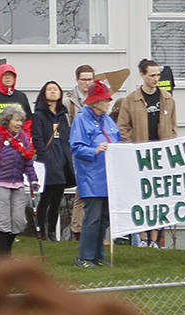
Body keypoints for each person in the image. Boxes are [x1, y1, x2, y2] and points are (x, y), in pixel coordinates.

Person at [118, 58, 177, 248]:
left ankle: (155, 240)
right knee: (141, 196)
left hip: (161, 153)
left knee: (159, 197)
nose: (155, 79)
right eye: (152, 75)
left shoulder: (167, 99)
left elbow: (173, 127)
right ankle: (142, 239)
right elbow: (123, 127)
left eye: (158, 75)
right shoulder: (131, 99)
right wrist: (130, 147)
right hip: (140, 153)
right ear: (142, 75)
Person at [0, 63, 33, 239]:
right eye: (5, 76)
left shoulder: (21, 97)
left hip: (17, 146)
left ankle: (10, 232)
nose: (8, 78)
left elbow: (28, 122)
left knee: (14, 194)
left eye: (11, 76)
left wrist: (26, 141)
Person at [70, 79, 121, 268]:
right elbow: (76, 147)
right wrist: (95, 150)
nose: (109, 103)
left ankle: (97, 255)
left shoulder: (108, 120)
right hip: (91, 177)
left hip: (108, 177)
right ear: (96, 102)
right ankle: (84, 257)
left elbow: (118, 140)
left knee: (104, 219)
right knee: (92, 218)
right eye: (106, 100)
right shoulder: (81, 119)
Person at [0, 104, 38, 258]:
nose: (19, 124)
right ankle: (5, 256)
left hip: (17, 183)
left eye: (21, 121)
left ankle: (5, 255)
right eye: (16, 120)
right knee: (2, 220)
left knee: (19, 221)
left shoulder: (23, 136)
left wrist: (33, 179)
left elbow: (28, 161)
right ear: (7, 120)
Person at [32, 81, 75, 241]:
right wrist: (45, 156)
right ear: (44, 93)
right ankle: (41, 232)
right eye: (49, 89)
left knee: (57, 199)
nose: (52, 92)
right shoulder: (38, 115)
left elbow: (66, 139)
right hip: (48, 163)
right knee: (46, 199)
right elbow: (37, 139)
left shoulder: (63, 117)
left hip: (62, 161)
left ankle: (51, 232)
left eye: (55, 89)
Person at [66, 65, 95, 240]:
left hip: (94, 151)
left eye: (90, 79)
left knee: (89, 190)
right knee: (82, 189)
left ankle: (85, 230)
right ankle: (77, 230)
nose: (87, 82)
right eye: (84, 79)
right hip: (77, 151)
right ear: (77, 79)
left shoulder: (97, 98)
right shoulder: (69, 101)